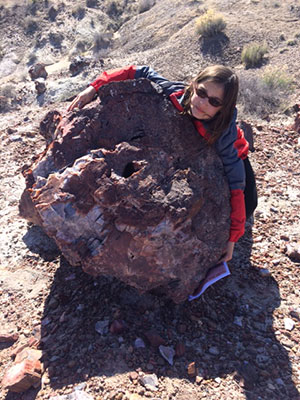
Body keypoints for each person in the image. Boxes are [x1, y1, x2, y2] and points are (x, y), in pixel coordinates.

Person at [68, 65, 257, 262]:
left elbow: (236, 184)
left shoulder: (224, 135)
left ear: (223, 109)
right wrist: (94, 87)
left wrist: (233, 239)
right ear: (193, 85)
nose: (202, 102)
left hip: (237, 158)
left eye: (214, 101)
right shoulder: (176, 93)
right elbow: (140, 71)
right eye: (201, 92)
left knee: (249, 204)